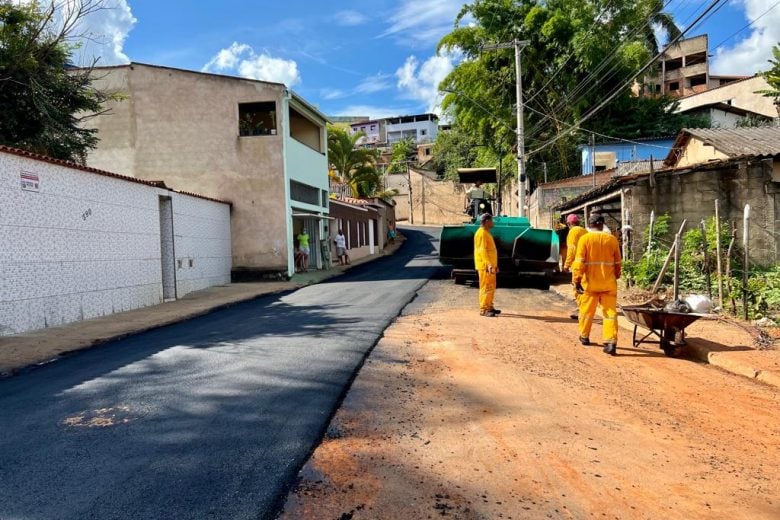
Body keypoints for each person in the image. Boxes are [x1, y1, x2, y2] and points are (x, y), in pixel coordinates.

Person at [571, 213, 622, 356]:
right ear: (602, 224)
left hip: (590, 284)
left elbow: (579, 262)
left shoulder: (584, 239)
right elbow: (618, 262)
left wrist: (576, 280)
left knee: (586, 312)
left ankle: (584, 336)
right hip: (608, 284)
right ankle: (611, 341)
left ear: (589, 225)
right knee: (610, 314)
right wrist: (616, 276)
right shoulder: (612, 240)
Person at [474, 213, 500, 317]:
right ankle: (483, 309)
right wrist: (488, 264)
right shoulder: (481, 233)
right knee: (485, 287)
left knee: (491, 286)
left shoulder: (486, 232)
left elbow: (490, 251)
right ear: (486, 221)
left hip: (490, 266)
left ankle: (489, 306)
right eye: (491, 221)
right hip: (485, 266)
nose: (493, 223)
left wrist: (494, 265)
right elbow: (482, 251)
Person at [563, 213, 588, 320]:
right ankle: (584, 308)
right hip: (587, 263)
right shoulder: (584, 231)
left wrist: (567, 264)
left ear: (569, 223)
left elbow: (572, 249)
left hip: (578, 264)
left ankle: (581, 310)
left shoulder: (573, 232)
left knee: (577, 288)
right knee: (585, 287)